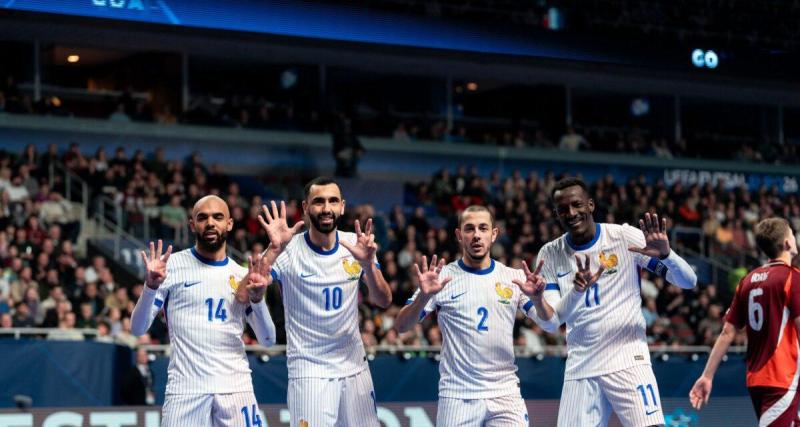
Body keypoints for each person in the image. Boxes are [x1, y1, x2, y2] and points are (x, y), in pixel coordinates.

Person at [534, 177, 697, 427]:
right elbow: (553, 321)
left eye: (577, 205)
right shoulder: (550, 254)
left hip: (628, 360)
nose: (571, 213)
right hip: (581, 368)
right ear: (556, 213)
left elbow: (688, 281)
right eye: (563, 209)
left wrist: (667, 254)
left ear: (590, 205)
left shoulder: (622, 237)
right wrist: (577, 291)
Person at [395, 205, 551, 426]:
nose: (476, 235)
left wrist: (538, 299)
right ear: (459, 235)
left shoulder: (513, 277)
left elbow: (550, 324)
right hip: (458, 396)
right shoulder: (441, 278)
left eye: (483, 228)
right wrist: (422, 298)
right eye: (469, 229)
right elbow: (401, 326)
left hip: (505, 394)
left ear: (494, 234)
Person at [130, 195, 277, 427]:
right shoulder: (170, 267)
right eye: (203, 217)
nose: (210, 223)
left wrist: (258, 301)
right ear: (192, 225)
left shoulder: (242, 276)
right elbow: (137, 329)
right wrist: (150, 287)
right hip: (186, 391)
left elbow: (268, 340)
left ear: (229, 223)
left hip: (236, 389)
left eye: (218, 217)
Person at [257, 176, 392, 426]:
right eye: (318, 202)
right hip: (309, 371)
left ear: (342, 206)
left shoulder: (356, 243)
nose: (326, 208)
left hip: (354, 367)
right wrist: (273, 250)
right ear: (306, 207)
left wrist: (369, 267)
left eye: (332, 201)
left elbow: (383, 300)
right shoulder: (288, 249)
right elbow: (249, 290)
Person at [690, 218, 800, 426]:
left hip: (756, 380)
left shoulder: (748, 280)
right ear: (787, 243)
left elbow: (727, 332)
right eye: (792, 234)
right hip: (781, 378)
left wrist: (707, 376)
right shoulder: (792, 278)